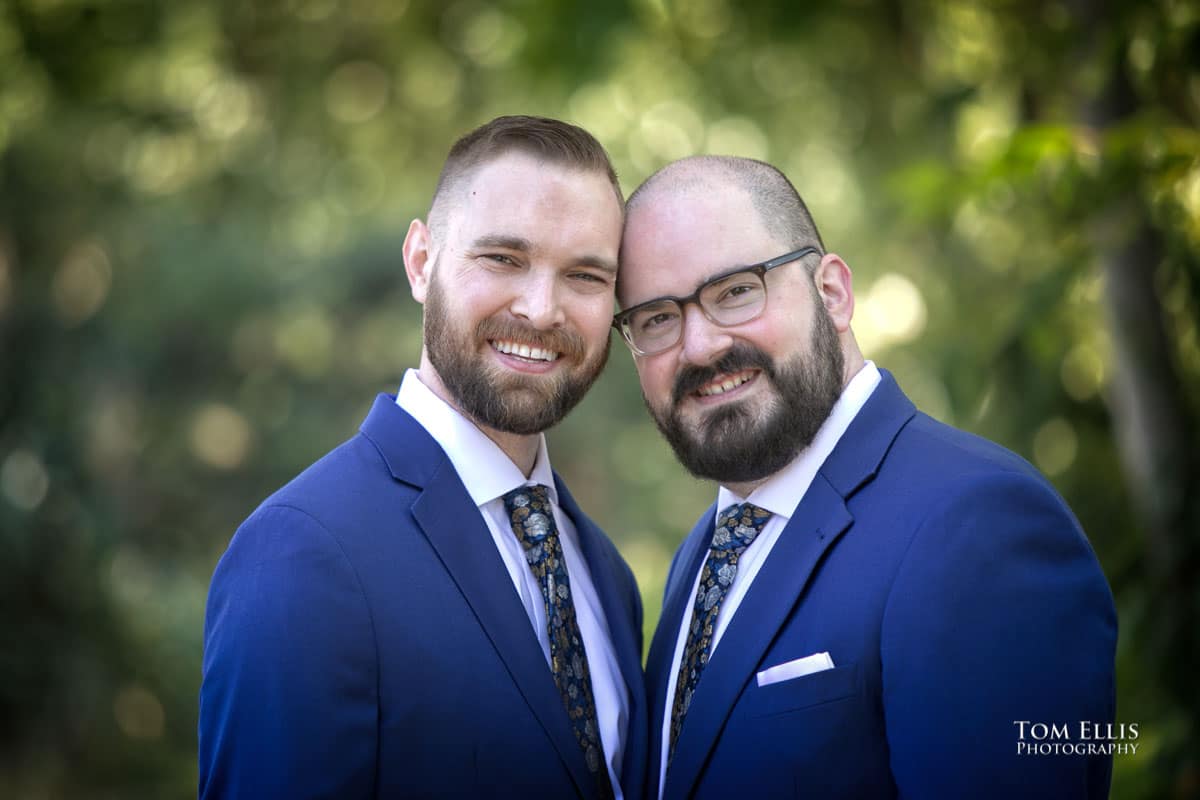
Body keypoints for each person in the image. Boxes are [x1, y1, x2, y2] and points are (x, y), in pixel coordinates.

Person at [615, 155, 1117, 799]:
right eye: (657, 318)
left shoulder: (983, 523)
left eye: (736, 291)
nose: (701, 346)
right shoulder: (704, 557)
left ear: (833, 293)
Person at [199, 116, 647, 800]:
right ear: (420, 261)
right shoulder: (303, 552)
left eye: (586, 275)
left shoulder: (605, 575)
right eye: (503, 258)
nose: (541, 308)